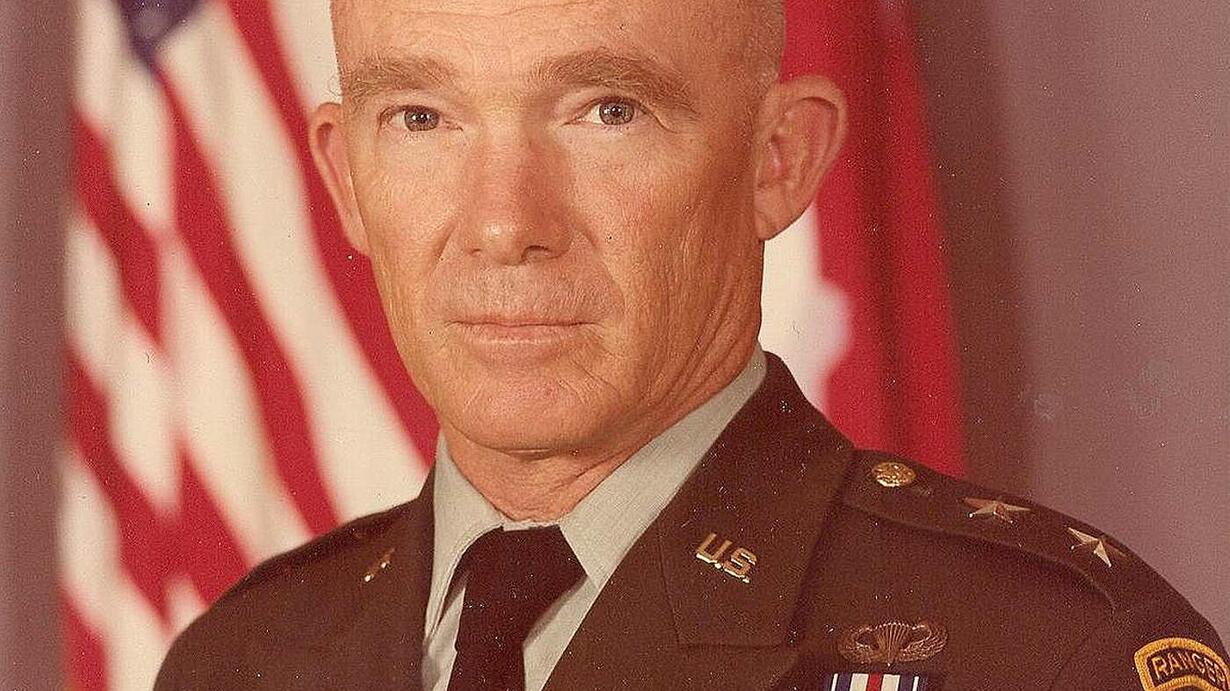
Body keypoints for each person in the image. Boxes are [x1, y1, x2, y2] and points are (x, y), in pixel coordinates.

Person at [155, 0, 1227, 689]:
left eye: (607, 110)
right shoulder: (241, 663)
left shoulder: (1052, 656)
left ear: (779, 160)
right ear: (346, 179)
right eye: (422, 118)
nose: (503, 223)